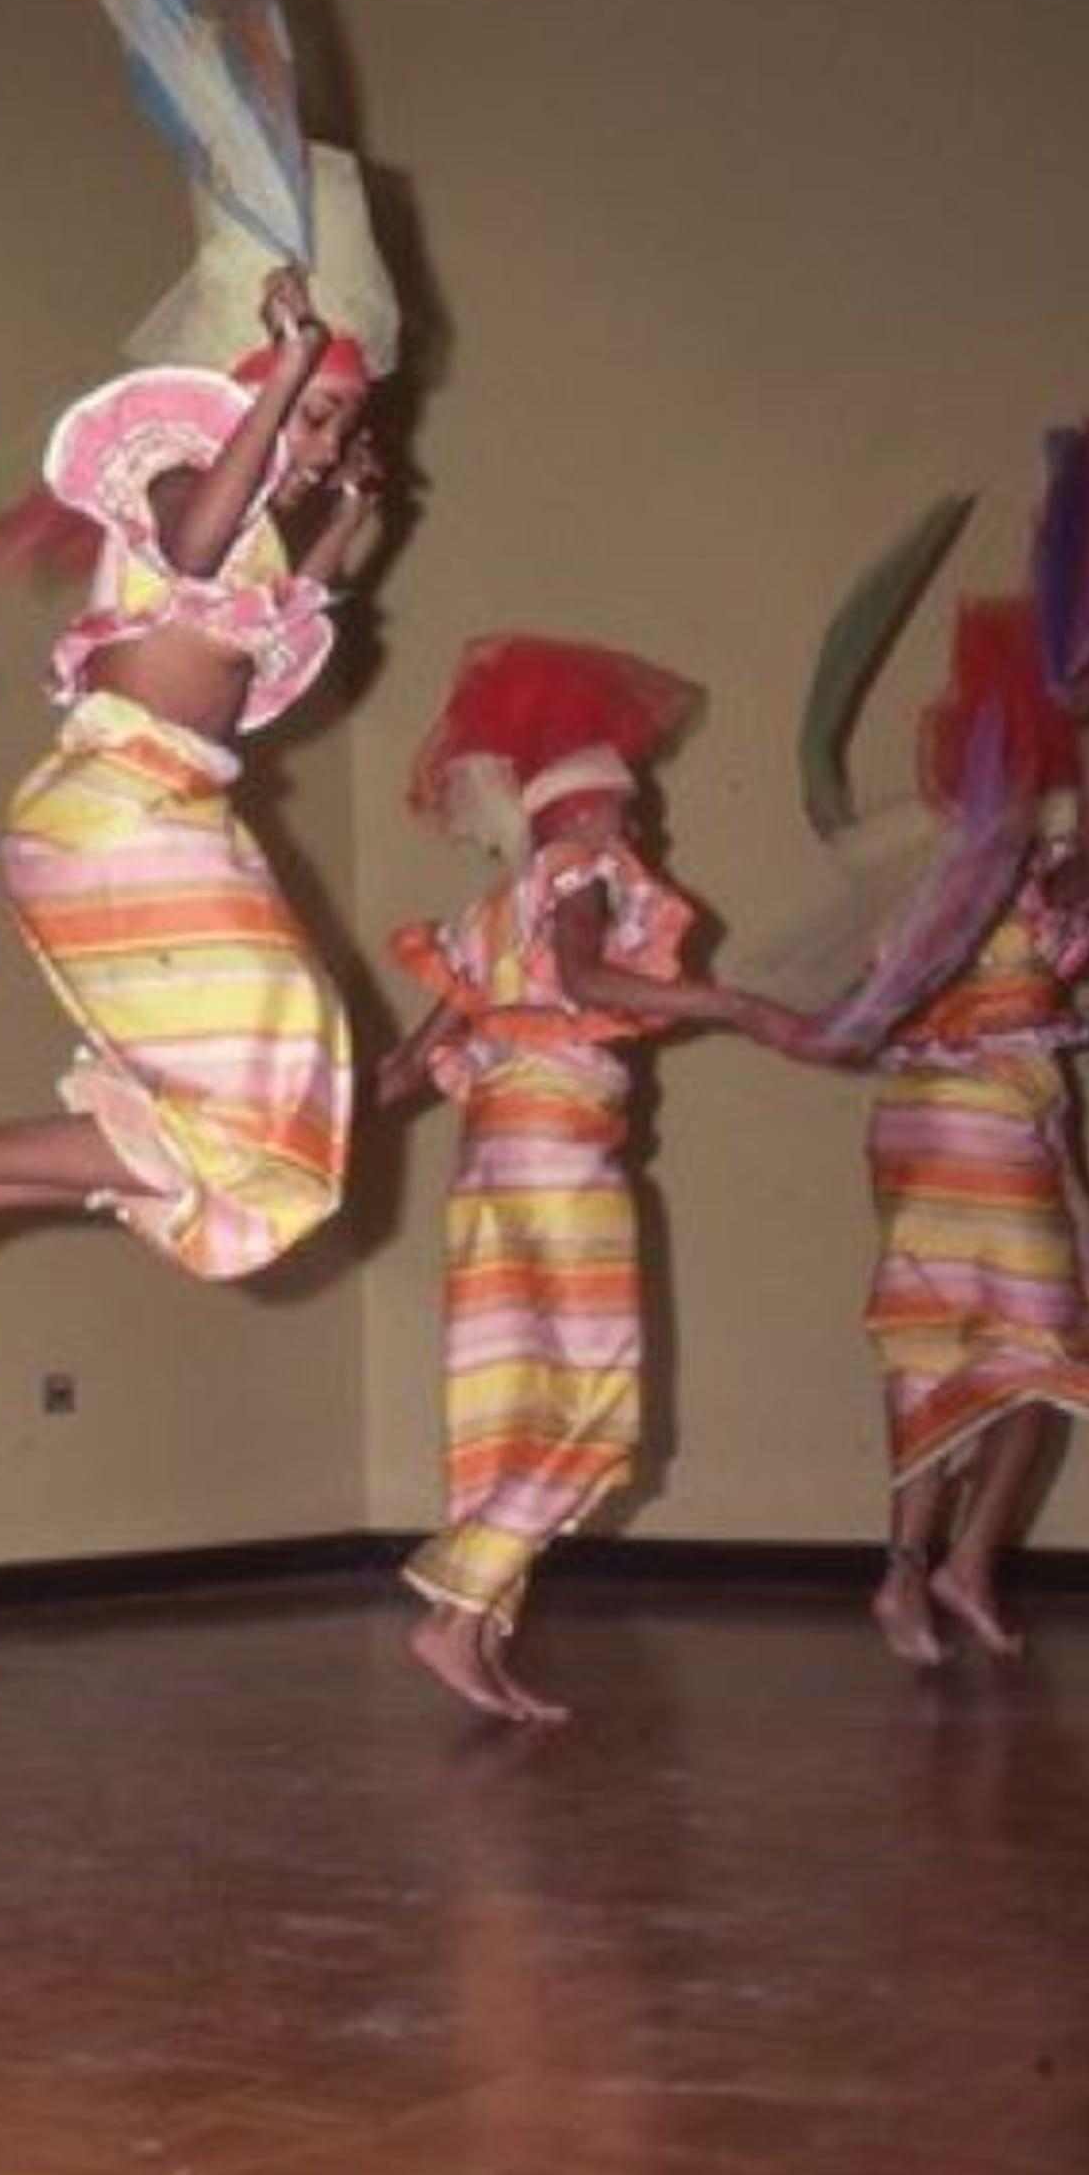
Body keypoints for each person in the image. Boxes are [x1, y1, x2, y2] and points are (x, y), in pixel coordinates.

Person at [0, 265, 388, 1304]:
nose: (318, 447)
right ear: (244, 385)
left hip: (154, 812)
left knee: (273, 1124)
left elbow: (269, 615)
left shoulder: (250, 536)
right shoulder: (177, 472)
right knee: (267, 1093)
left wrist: (352, 505)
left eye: (332, 425)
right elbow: (194, 544)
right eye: (317, 418)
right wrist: (283, 379)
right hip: (119, 808)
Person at [373, 637, 821, 1727]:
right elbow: (578, 977)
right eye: (632, 812)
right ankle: (457, 1604)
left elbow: (395, 1079)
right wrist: (736, 1007)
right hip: (558, 1160)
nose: (643, 831)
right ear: (584, 815)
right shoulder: (584, 874)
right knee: (599, 1407)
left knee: (511, 1404)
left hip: (488, 1165)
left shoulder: (489, 915)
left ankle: (474, 1633)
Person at [859, 605, 1089, 1663]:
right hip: (986, 1126)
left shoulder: (933, 885)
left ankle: (919, 1571)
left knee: (935, 1343)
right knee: (1040, 1352)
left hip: (919, 1126)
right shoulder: (1027, 874)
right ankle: (952, 1565)